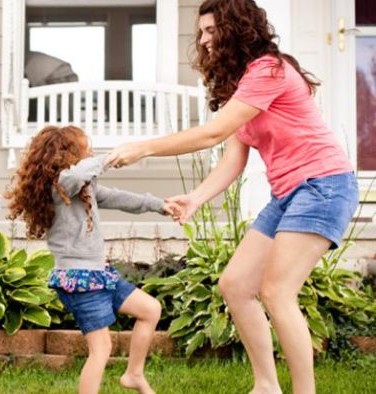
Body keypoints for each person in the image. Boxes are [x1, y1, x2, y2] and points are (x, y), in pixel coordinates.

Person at [106, 1, 359, 393]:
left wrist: (144, 148)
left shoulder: (268, 70)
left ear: (235, 30)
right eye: (202, 32)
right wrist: (197, 198)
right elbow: (234, 157)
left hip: (323, 184)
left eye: (211, 31)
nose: (204, 41)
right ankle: (266, 386)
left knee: (277, 291)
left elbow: (211, 134)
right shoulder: (242, 86)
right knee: (236, 285)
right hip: (290, 192)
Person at [5, 125, 179, 394]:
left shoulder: (82, 186)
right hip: (79, 279)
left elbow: (119, 198)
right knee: (101, 349)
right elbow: (77, 175)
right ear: (67, 154)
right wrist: (110, 158)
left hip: (97, 274)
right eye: (85, 149)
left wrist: (159, 205)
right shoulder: (62, 185)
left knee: (150, 310)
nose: (91, 153)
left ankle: (134, 374)